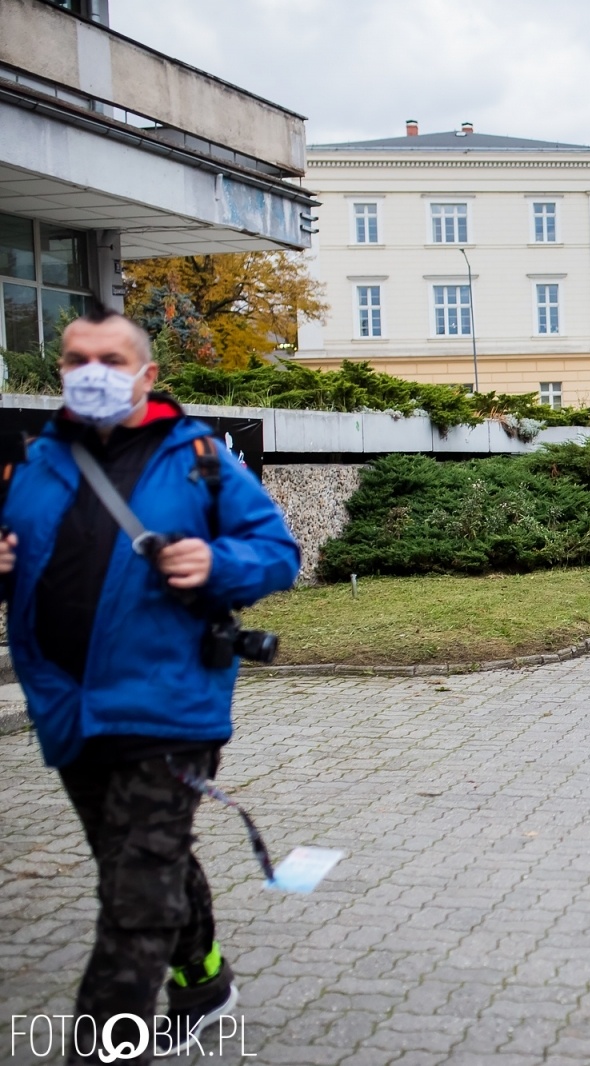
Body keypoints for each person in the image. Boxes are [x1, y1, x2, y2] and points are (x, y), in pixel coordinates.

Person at [0, 309, 300, 1058]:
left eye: (108, 357)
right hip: (69, 709)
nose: (90, 371)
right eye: (75, 359)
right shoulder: (38, 462)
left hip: (169, 706)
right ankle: (205, 989)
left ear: (146, 374)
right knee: (136, 865)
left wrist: (217, 564)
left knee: (135, 900)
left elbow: (276, 552)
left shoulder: (196, 455)